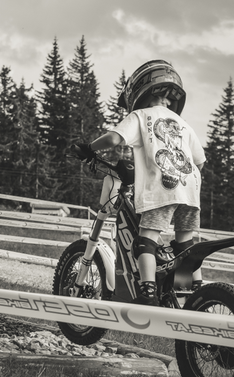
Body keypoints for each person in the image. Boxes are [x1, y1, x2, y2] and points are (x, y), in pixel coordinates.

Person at [78, 60, 206, 306]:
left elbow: (115, 139)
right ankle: (192, 290)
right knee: (185, 243)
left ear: (139, 92)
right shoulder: (185, 125)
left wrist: (89, 148)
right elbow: (199, 162)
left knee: (145, 240)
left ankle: (147, 292)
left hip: (163, 189)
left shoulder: (140, 115)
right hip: (190, 191)